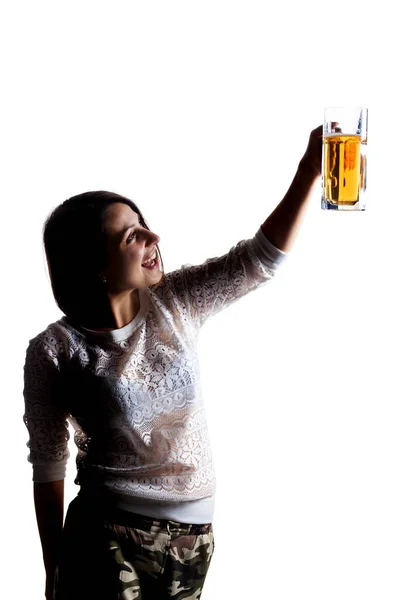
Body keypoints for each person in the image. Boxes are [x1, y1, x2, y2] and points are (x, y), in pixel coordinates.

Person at [23, 125, 322, 600]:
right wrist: (52, 569)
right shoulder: (54, 350)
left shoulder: (176, 301)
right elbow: (48, 463)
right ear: (96, 263)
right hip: (107, 535)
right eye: (132, 236)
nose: (152, 237)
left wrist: (310, 173)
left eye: (145, 224)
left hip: (194, 541)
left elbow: (259, 261)